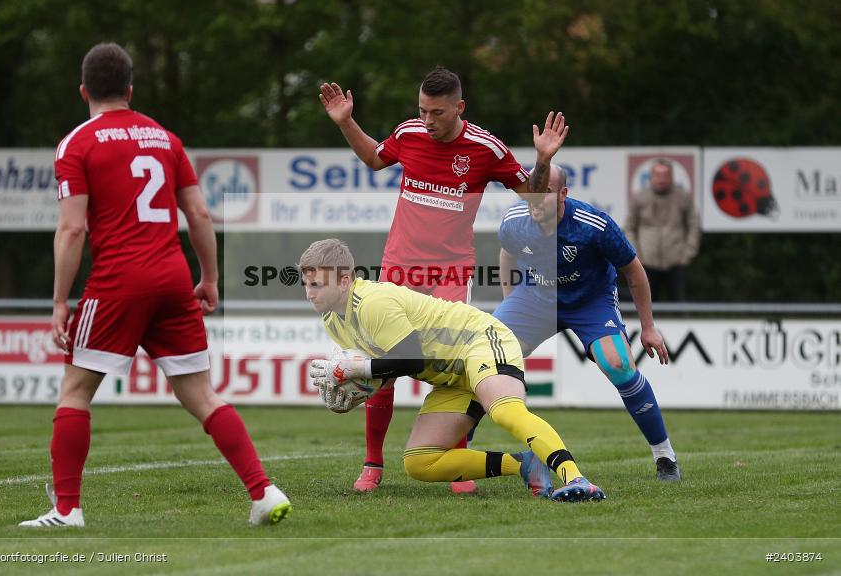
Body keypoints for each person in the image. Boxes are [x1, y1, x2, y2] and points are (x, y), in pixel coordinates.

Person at [19, 43, 290, 528]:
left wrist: (60, 301)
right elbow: (199, 214)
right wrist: (209, 278)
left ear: (83, 91)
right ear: (130, 90)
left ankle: (66, 510)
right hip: (172, 278)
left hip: (118, 282)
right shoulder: (165, 139)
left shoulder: (76, 144)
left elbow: (72, 229)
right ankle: (263, 492)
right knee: (203, 396)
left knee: (75, 392)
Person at [319, 67, 567, 493]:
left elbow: (533, 195)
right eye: (422, 111)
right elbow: (375, 159)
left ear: (459, 107)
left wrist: (542, 161)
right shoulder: (409, 133)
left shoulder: (486, 148)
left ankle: (456, 463)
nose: (427, 121)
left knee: (453, 365)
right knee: (382, 367)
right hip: (399, 269)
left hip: (450, 274)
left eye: (436, 113)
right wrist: (346, 122)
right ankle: (372, 463)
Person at [300, 239, 605, 502]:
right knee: (420, 462)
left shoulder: (371, 303)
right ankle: (523, 465)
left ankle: (576, 479)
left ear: (345, 281)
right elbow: (386, 369)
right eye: (306, 285)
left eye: (317, 285)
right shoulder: (332, 320)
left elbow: (412, 361)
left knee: (504, 410)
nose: (309, 293)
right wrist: (354, 386)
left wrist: (357, 369)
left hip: (479, 340)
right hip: (451, 376)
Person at [494, 164, 680, 481]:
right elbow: (507, 254)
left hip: (591, 301)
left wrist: (648, 327)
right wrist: (510, 300)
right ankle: (459, 452)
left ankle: (665, 457)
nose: (535, 199)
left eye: (546, 192)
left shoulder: (593, 224)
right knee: (485, 357)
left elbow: (633, 270)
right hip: (535, 298)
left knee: (619, 365)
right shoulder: (514, 222)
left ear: (563, 194)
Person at [624, 159, 701, 302]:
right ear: (651, 176)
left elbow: (694, 225)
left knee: (680, 306)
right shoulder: (639, 197)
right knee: (645, 305)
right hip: (646, 262)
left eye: (665, 175)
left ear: (671, 177)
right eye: (658, 175)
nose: (662, 179)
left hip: (676, 262)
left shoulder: (683, 197)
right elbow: (629, 227)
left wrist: (687, 254)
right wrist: (636, 255)